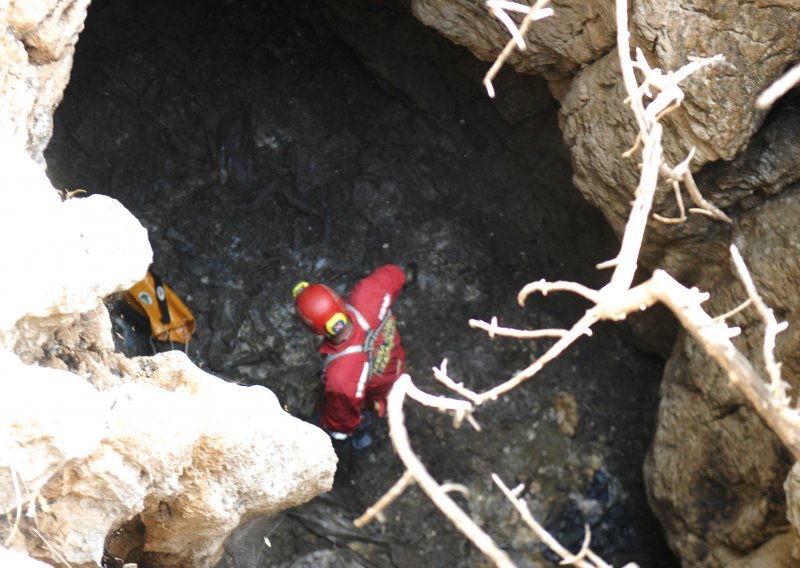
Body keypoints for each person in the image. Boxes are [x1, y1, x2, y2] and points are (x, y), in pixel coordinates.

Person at [292, 264, 411, 450]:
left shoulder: (340, 377)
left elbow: (342, 424)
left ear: (313, 330)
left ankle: (360, 442)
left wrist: (326, 427)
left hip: (376, 397)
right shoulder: (368, 293)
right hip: (395, 366)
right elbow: (395, 273)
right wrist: (407, 275)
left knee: (342, 423)